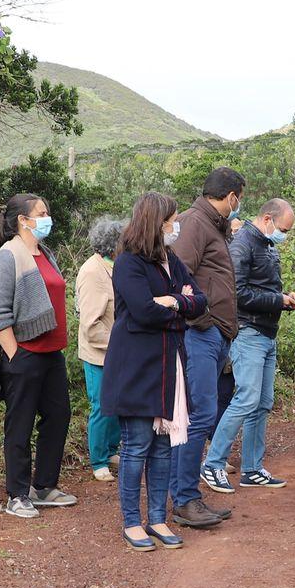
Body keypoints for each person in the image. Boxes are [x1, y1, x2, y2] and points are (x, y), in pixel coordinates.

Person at [0, 193, 79, 519]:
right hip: (25, 354)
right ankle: (17, 493)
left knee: (58, 417)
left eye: (47, 211)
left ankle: (43, 486)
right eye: (41, 213)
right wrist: (15, 354)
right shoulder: (9, 255)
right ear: (22, 221)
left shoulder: (45, 253)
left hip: (52, 353)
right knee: (20, 424)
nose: (47, 218)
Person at [101, 192, 204, 551]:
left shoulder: (171, 260)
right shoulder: (129, 263)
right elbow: (143, 312)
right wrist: (180, 303)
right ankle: (132, 522)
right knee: (137, 444)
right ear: (157, 223)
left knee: (163, 446)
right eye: (173, 220)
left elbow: (199, 301)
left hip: (167, 365)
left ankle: (157, 518)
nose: (177, 226)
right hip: (137, 367)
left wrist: (174, 300)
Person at [202, 198, 295, 491]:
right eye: (284, 228)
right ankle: (213, 463)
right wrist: (278, 300)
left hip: (266, 332)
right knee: (246, 398)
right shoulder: (243, 243)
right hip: (248, 332)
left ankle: (252, 468)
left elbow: (261, 287)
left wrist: (283, 299)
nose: (285, 234)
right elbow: (236, 293)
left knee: (261, 403)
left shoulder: (266, 244)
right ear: (268, 219)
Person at [169, 167, 246, 530]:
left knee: (200, 413)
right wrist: (204, 323)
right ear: (231, 197)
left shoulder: (212, 226)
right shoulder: (195, 223)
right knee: (198, 416)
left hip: (213, 335)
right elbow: (177, 277)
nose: (238, 205)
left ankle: (188, 497)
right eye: (239, 198)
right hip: (200, 335)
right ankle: (185, 500)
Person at [76, 215, 126, 483]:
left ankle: (111, 451)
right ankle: (98, 461)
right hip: (99, 352)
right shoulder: (93, 272)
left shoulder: (114, 267)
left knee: (117, 404)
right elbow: (91, 324)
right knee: (102, 406)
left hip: (117, 351)